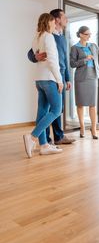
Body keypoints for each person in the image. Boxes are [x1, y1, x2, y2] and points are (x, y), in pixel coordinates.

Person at [28, 9, 75, 145]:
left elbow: (64, 61)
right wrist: (35, 56)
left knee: (47, 110)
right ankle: (39, 138)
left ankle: (50, 141)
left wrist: (67, 78)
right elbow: (32, 54)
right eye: (64, 17)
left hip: (52, 76)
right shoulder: (48, 36)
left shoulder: (60, 37)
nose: (67, 19)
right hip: (52, 77)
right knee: (55, 110)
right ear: (56, 20)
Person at [23, 13, 63, 157]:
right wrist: (59, 80)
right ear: (49, 22)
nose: (55, 25)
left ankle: (44, 145)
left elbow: (36, 57)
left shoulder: (37, 37)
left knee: (42, 111)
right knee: (57, 110)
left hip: (39, 80)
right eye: (53, 23)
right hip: (49, 79)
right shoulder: (48, 37)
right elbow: (52, 61)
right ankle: (32, 137)